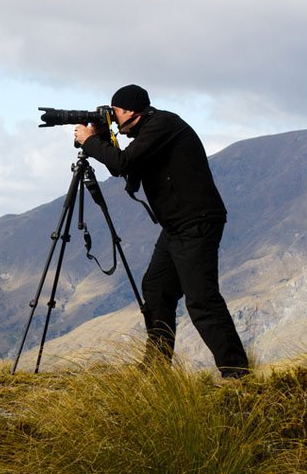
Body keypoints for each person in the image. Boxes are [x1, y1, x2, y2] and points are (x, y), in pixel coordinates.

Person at [73, 84, 249, 378]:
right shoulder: (150, 132)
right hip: (177, 227)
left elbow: (122, 163)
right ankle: (156, 367)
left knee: (201, 300)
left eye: (114, 112)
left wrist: (91, 141)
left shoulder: (163, 124)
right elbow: (128, 167)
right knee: (156, 288)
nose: (113, 119)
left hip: (196, 223)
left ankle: (238, 374)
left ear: (130, 110)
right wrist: (105, 139)